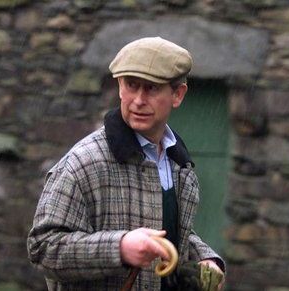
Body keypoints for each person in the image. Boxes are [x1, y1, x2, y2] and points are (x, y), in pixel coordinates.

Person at [27, 36, 225, 291]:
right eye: (131, 85)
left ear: (178, 94)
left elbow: (167, 229)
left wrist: (204, 257)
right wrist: (119, 248)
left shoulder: (178, 164)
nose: (139, 100)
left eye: (152, 88)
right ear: (120, 87)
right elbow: (43, 247)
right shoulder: (83, 163)